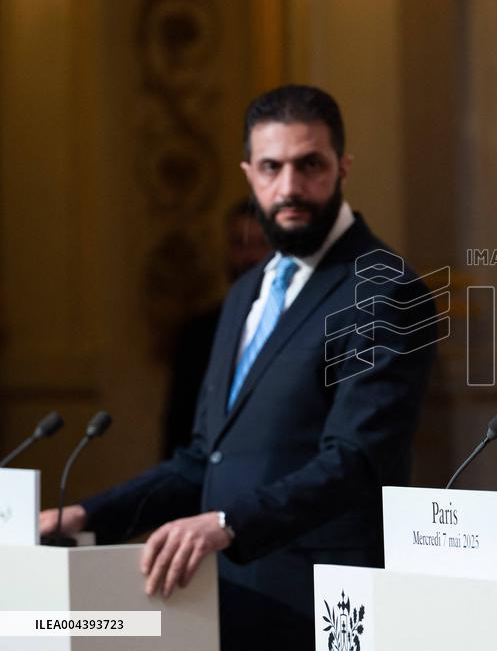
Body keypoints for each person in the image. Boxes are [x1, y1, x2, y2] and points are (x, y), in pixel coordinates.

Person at [40, 84, 437, 648]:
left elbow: (357, 460)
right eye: (272, 167)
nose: (290, 187)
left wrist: (227, 524)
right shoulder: (245, 293)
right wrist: (85, 515)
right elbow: (205, 458)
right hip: (222, 599)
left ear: (343, 167)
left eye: (310, 165)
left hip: (327, 605)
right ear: (249, 173)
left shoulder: (386, 289)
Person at [162, 198, 271, 459]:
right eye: (239, 245)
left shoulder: (303, 326)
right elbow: (178, 427)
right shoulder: (198, 334)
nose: (250, 257)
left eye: (262, 245)